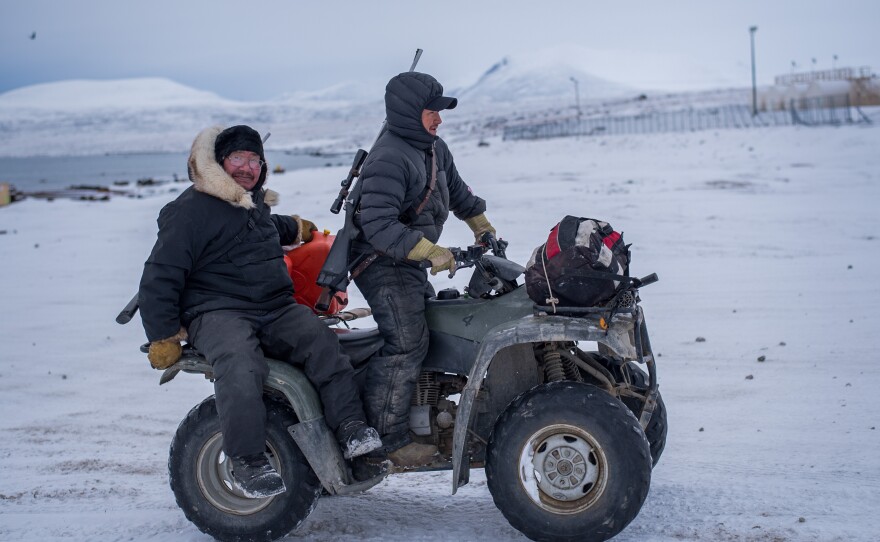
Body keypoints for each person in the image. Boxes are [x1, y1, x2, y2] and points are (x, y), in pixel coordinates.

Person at [138, 125, 381, 498]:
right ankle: (248, 461)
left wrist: (297, 228)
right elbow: (160, 274)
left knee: (322, 343)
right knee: (240, 363)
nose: (247, 167)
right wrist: (162, 335)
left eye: (255, 160)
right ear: (220, 162)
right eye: (238, 158)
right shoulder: (190, 211)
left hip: (274, 307)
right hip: (218, 311)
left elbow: (261, 226)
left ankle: (350, 430)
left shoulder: (251, 203)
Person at [351, 72, 496, 467]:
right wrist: (430, 250)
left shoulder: (433, 148)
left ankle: (422, 416)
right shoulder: (388, 158)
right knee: (407, 342)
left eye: (439, 111)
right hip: (379, 261)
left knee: (436, 329)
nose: (439, 119)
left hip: (407, 257)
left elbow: (460, 193)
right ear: (407, 113)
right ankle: (386, 440)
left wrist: (482, 226)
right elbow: (377, 225)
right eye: (431, 111)